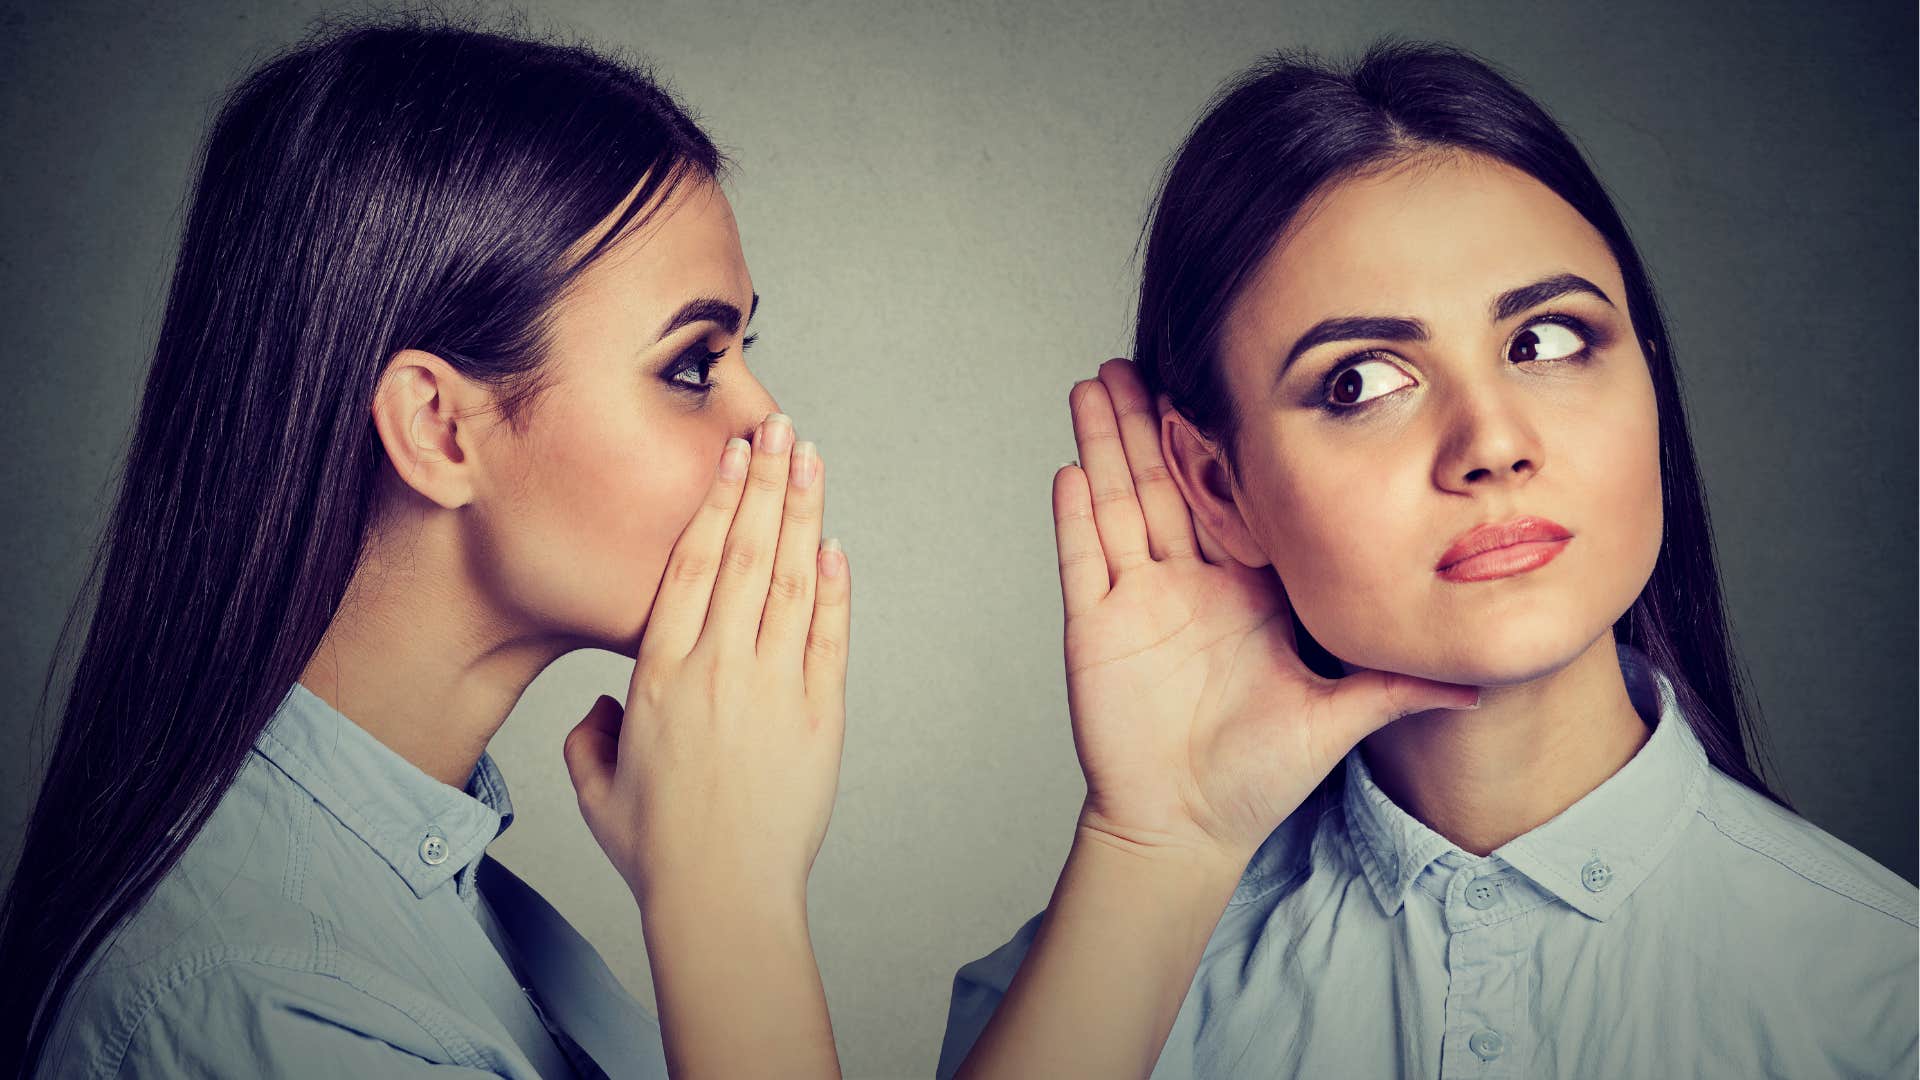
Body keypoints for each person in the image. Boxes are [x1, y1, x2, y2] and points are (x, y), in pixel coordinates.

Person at [940, 41, 1918, 1079]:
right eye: (1360, 381)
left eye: (1547, 341)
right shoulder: (1073, 1006)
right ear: (1222, 491)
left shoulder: (1884, 1001)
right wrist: (1162, 844)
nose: (1492, 442)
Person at [1, 18, 851, 1078]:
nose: (772, 427)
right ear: (440, 429)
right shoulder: (266, 1010)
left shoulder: (441, 907)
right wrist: (732, 902)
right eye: (692, 364)